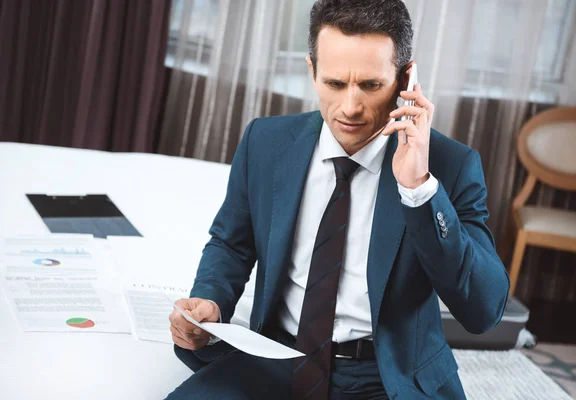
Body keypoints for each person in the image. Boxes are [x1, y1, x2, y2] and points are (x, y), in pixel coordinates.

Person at [166, 0, 510, 399]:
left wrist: (418, 188)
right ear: (312, 71)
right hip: (275, 357)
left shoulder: (451, 166)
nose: (350, 107)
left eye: (370, 85)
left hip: (384, 377)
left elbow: (484, 311)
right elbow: (231, 243)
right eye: (334, 83)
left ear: (405, 80)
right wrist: (211, 300)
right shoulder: (265, 142)